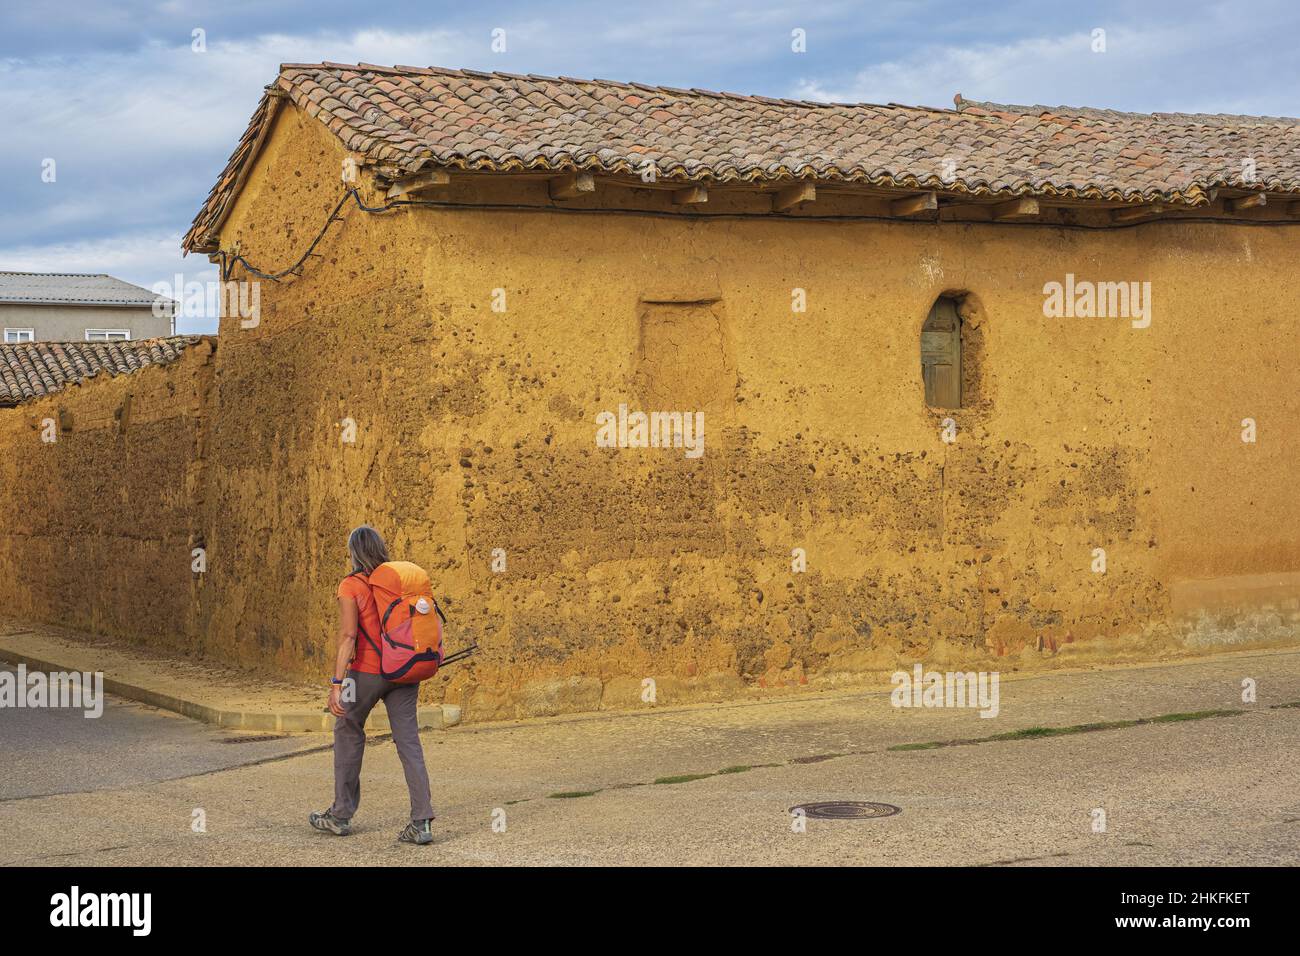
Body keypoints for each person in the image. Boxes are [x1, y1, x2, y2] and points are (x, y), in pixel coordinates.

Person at [309, 525, 435, 845]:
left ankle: (340, 815)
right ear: (380, 548)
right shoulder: (397, 583)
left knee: (347, 729)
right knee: (409, 743)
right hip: (404, 671)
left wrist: (337, 683)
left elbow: (349, 637)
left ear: (353, 552)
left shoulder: (351, 585)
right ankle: (421, 823)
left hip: (363, 674)